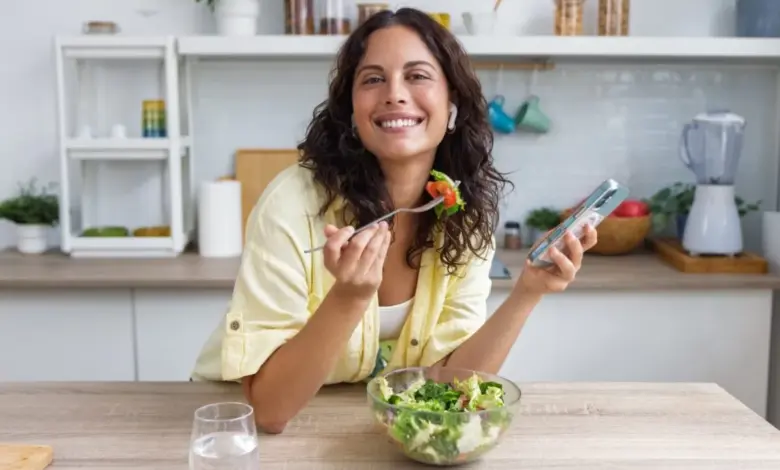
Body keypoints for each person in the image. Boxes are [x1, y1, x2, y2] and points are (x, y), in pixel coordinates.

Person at [191, 7, 597, 434]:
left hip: (365, 430)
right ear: (350, 109)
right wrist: (347, 297)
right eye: (372, 79)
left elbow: (449, 387)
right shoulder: (293, 202)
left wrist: (527, 293)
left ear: (452, 103)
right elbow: (269, 411)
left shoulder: (465, 214)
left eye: (418, 76)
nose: (395, 94)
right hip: (230, 426)